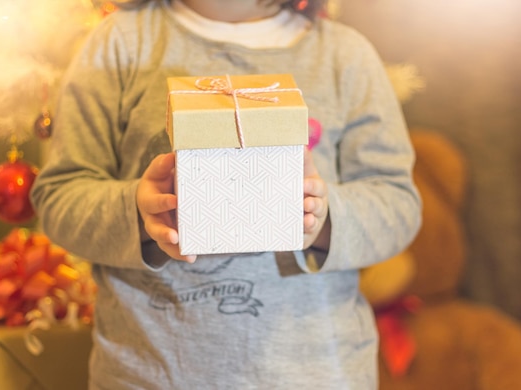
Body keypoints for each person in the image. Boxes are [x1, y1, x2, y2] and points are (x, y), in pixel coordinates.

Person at [31, 0, 422, 388]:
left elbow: (397, 203)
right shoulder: (120, 42)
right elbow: (59, 195)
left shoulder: (344, 55)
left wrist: (320, 220)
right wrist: (139, 211)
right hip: (151, 373)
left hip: (314, 372)